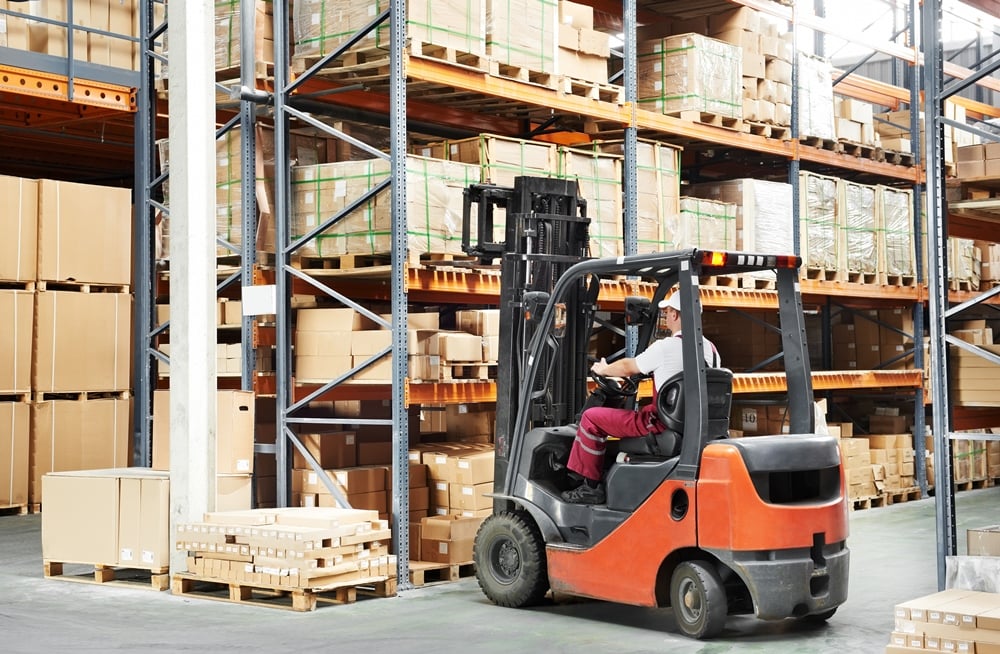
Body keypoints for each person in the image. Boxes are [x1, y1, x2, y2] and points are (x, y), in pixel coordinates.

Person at [561, 291, 721, 504]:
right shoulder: (711, 350)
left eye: (667, 312)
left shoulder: (665, 347)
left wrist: (604, 369)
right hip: (694, 428)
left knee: (591, 418)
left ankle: (590, 487)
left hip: (658, 425)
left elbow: (629, 366)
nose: (666, 316)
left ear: (675, 315)